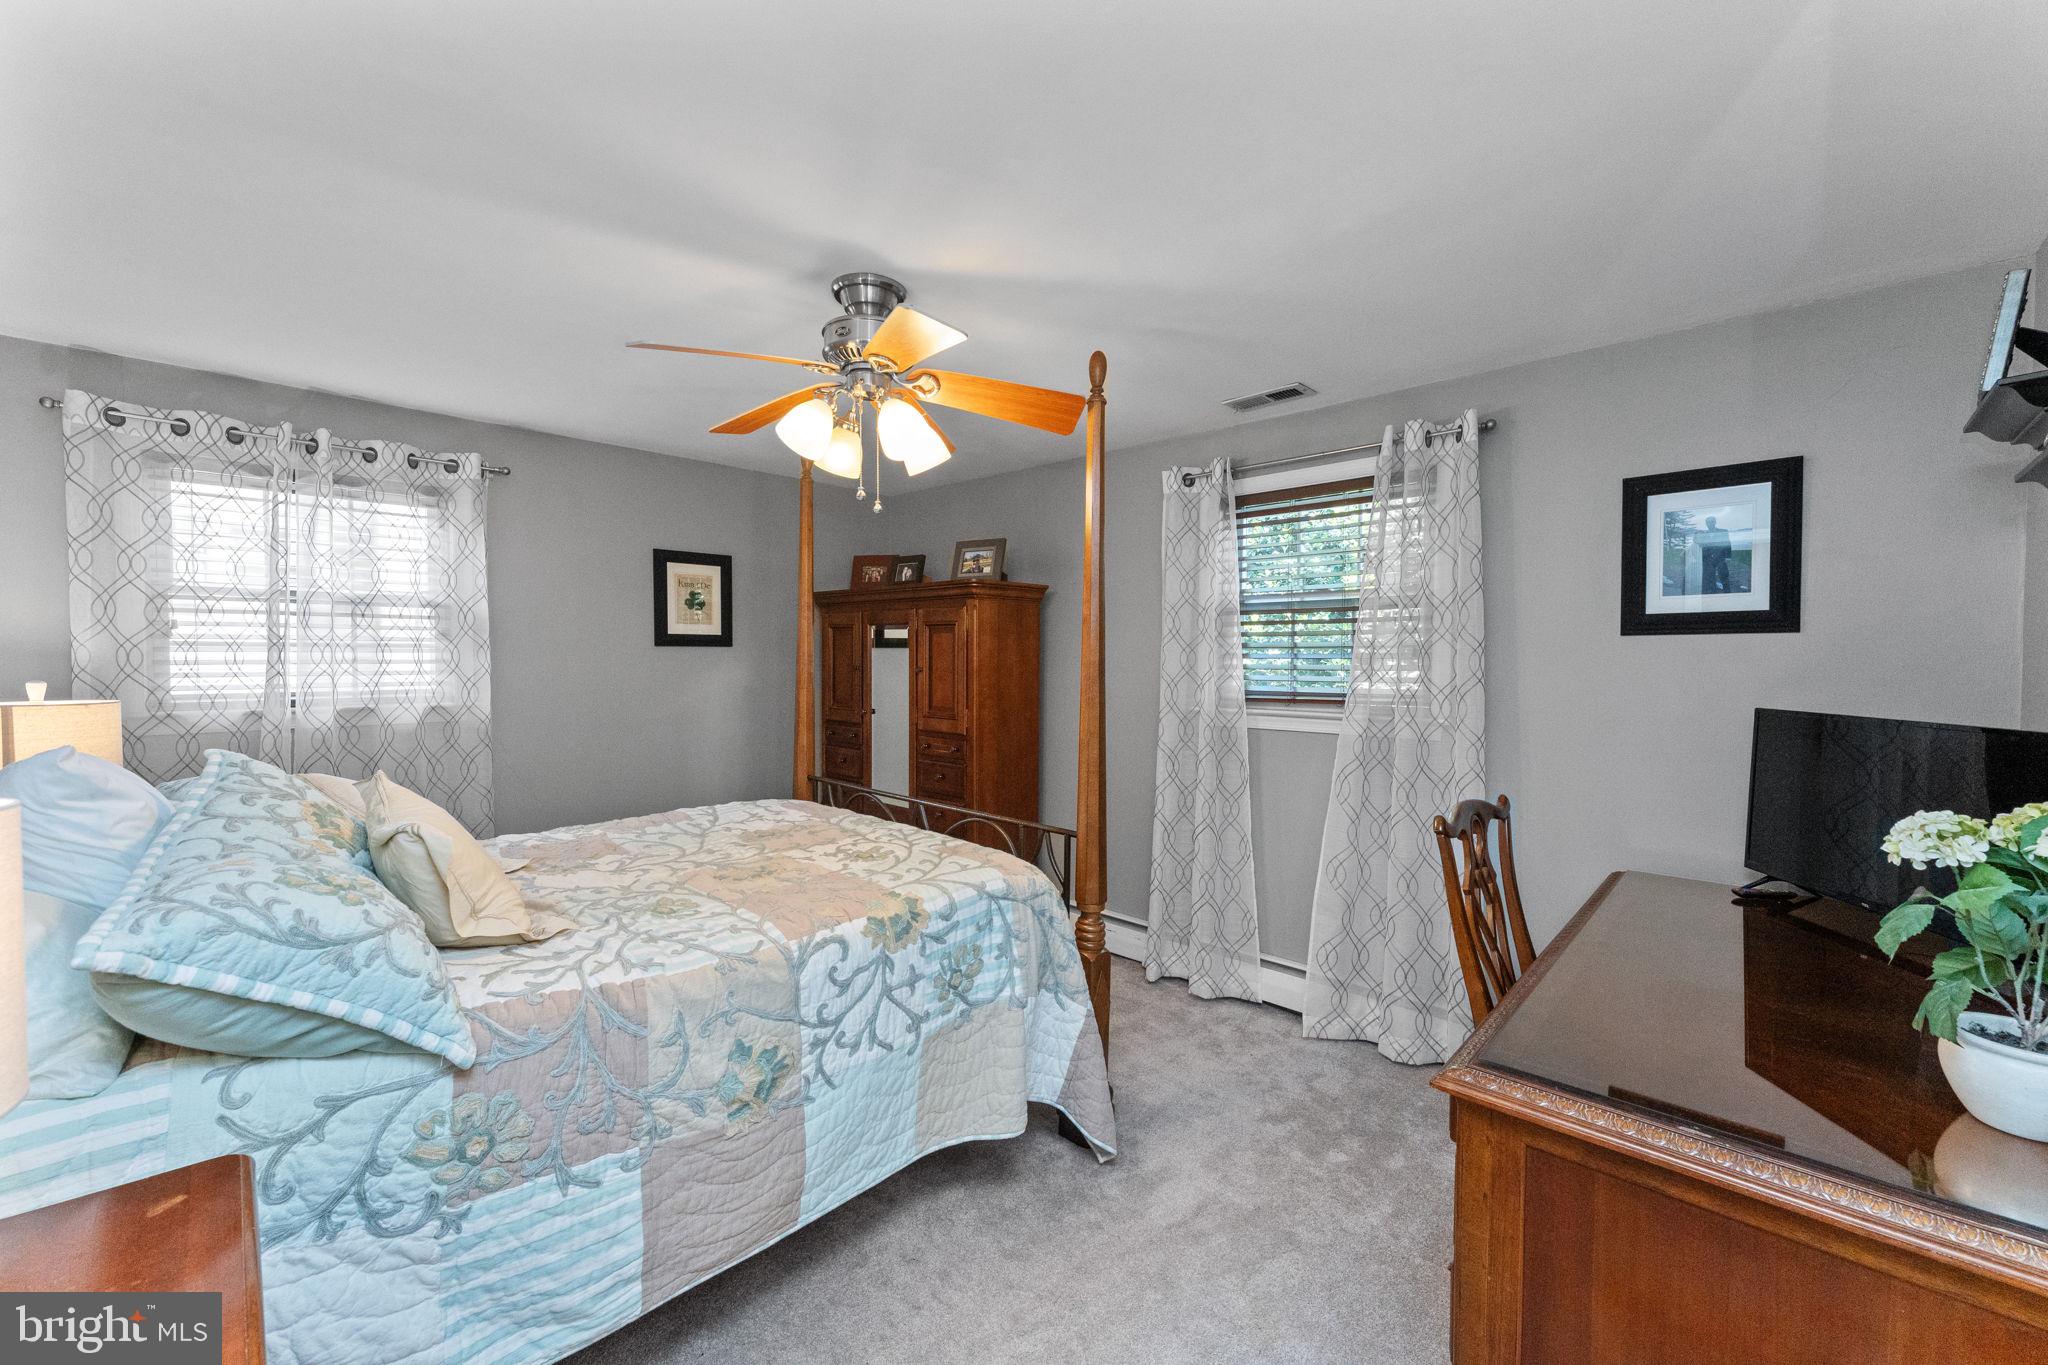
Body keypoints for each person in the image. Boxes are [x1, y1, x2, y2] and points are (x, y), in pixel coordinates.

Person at [1698, 516, 1732, 593]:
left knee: (1724, 576)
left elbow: (1728, 543)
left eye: (1712, 521)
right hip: (1709, 560)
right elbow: (1703, 546)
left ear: (1715, 522)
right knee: (1710, 577)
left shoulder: (1723, 531)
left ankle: (1728, 593)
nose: (1710, 523)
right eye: (1708, 522)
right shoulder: (1704, 534)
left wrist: (1728, 556)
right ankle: (1712, 593)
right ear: (1706, 524)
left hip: (1721, 558)